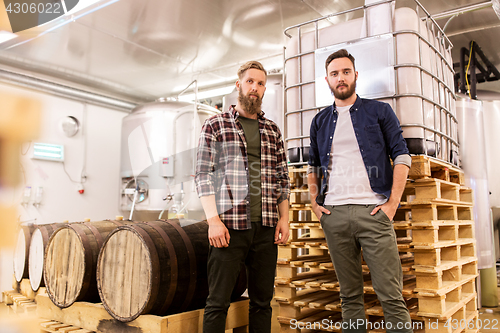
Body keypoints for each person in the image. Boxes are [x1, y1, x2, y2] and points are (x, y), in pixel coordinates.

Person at [307, 49, 413, 333]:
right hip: (335, 215)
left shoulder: (379, 112)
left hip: (374, 212)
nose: (340, 78)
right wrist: (315, 205)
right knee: (350, 296)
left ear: (355, 75)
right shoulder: (319, 121)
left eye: (345, 72)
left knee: (390, 296)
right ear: (327, 80)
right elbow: (313, 167)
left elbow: (402, 157)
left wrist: (392, 205)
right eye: (334, 74)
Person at [195, 60, 290, 333]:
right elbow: (203, 174)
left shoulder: (273, 130)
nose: (255, 88)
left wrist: (285, 218)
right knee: (217, 303)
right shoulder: (215, 125)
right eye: (250, 81)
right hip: (229, 227)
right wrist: (213, 220)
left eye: (260, 84)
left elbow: (282, 178)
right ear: (239, 85)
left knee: (262, 302)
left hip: (266, 229)